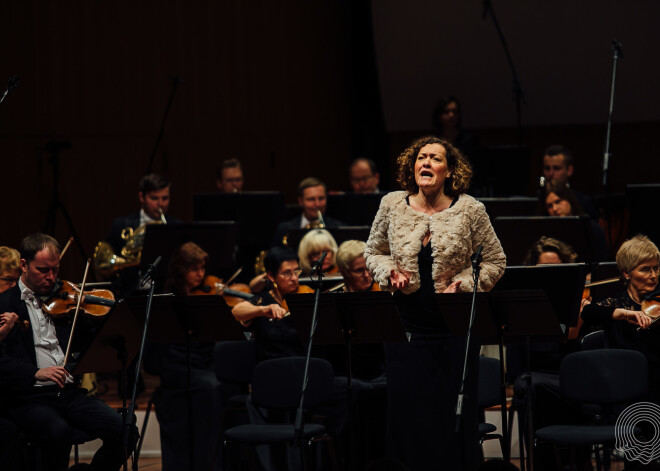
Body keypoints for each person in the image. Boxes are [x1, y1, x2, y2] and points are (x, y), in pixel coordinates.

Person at [364, 135, 506, 470]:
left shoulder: (471, 209)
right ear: (411, 166)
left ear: (449, 170)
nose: (426, 163)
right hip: (406, 332)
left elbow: (495, 261)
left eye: (435, 158)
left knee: (450, 418)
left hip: (455, 332)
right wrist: (389, 273)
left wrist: (467, 284)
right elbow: (373, 252)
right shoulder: (391, 204)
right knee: (409, 417)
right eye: (421, 157)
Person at [0, 233, 135, 471]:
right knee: (58, 432)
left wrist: (89, 312)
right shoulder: (4, 304)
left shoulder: (66, 299)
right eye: (43, 270)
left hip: (69, 393)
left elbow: (92, 340)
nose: (51, 277)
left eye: (55, 269)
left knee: (125, 428)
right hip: (29, 398)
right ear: (23, 265)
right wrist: (35, 373)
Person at [144, 241, 227, 471]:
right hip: (177, 366)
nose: (200, 274)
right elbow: (156, 351)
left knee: (223, 383)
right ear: (181, 269)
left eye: (202, 268)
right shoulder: (167, 299)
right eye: (194, 269)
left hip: (203, 363)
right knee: (210, 387)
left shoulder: (206, 296)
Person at [582, 235, 660, 399]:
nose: (653, 275)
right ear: (626, 273)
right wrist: (622, 313)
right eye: (645, 269)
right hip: (623, 384)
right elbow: (588, 312)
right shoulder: (617, 302)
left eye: (656, 268)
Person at [539, 179, 609, 261]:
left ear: (569, 199)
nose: (554, 208)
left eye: (558, 201)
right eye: (549, 206)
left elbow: (602, 261)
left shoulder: (592, 228)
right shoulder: (546, 233)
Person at [271, 177, 344, 247]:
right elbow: (273, 253)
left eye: (321, 198)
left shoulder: (340, 228)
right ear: (300, 201)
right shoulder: (284, 229)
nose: (317, 204)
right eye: (311, 199)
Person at [541, 145, 597, 219]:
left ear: (569, 170)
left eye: (556, 168)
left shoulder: (583, 202)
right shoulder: (537, 202)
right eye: (547, 168)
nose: (551, 174)